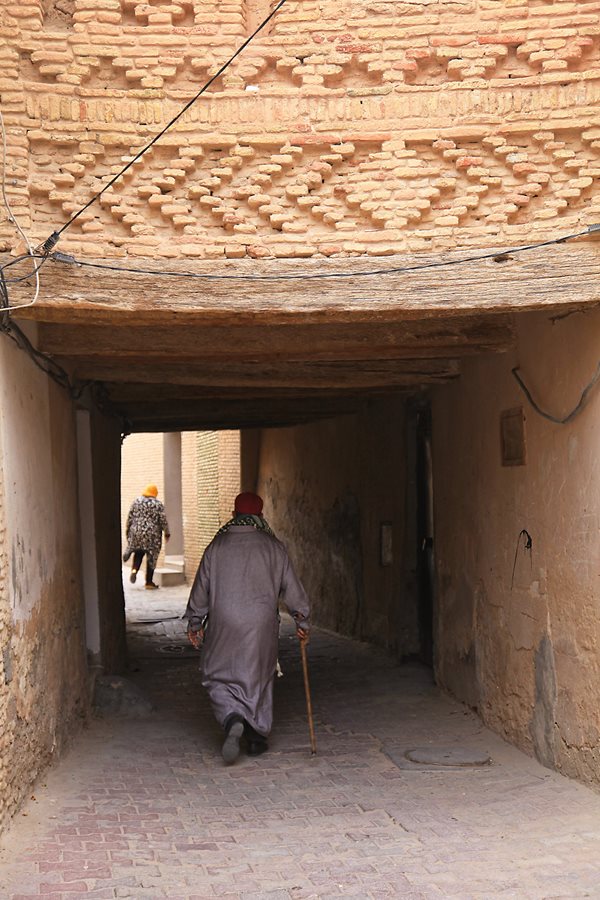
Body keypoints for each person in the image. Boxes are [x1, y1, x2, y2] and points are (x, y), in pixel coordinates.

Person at [183, 491, 310, 764]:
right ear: (261, 515)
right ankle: (255, 738)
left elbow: (201, 590)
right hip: (261, 624)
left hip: (223, 622)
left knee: (216, 674)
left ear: (234, 515)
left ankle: (232, 718)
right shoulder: (274, 547)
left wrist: (195, 621)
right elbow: (292, 589)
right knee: (260, 677)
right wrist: (302, 618)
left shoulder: (216, 547)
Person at [123, 484, 170, 590]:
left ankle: (134, 570)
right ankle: (149, 582)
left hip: (136, 532)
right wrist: (167, 533)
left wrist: (128, 532)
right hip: (152, 535)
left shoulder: (136, 501)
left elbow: (130, 518)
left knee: (138, 553)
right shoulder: (157, 504)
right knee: (151, 558)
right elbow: (163, 520)